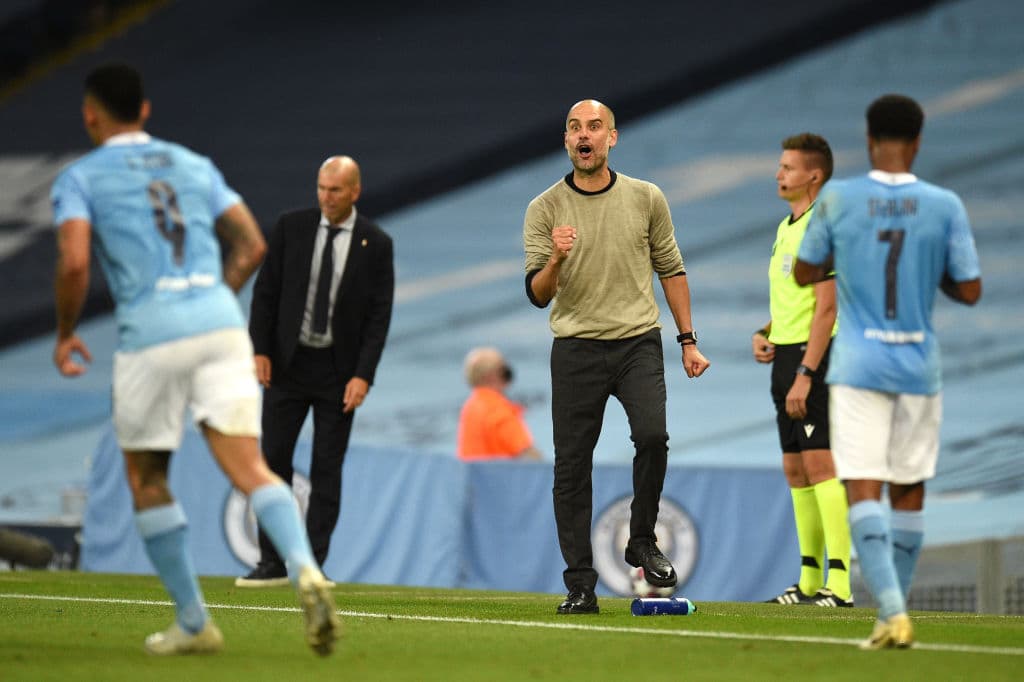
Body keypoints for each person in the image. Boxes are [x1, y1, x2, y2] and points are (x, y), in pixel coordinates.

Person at [50, 63, 338, 656]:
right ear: (146, 110)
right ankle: (305, 568)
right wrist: (212, 298)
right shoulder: (192, 164)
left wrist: (64, 331)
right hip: (218, 323)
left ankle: (193, 621)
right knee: (251, 468)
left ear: (90, 114)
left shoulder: (80, 178)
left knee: (148, 478)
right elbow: (251, 243)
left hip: (149, 335)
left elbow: (75, 262)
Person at [794, 94, 982, 649]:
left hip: (858, 364)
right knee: (909, 489)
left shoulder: (840, 200)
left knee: (863, 486)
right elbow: (969, 289)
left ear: (870, 139)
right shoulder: (944, 204)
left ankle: (894, 613)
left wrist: (853, 259)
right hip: (919, 365)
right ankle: (891, 614)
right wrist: (929, 274)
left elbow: (807, 270)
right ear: (919, 142)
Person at [523, 99, 711, 615]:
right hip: (576, 348)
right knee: (571, 466)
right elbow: (539, 294)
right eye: (575, 128)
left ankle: (641, 540)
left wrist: (688, 341)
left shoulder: (646, 197)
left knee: (653, 436)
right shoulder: (544, 209)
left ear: (612, 138)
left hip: (637, 343)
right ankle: (581, 584)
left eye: (595, 127)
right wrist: (557, 258)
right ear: (566, 141)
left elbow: (671, 269)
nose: (585, 135)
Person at [239, 155, 394, 587]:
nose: (326, 198)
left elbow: (379, 316)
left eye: (336, 191)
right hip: (287, 365)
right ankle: (270, 561)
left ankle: (310, 564)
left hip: (339, 373)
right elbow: (265, 293)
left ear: (354, 192)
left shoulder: (375, 243)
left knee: (327, 469)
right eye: (322, 189)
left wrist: (364, 374)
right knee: (272, 463)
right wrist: (260, 350)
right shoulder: (292, 227)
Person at [754, 133, 853, 608]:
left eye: (788, 167)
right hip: (788, 356)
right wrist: (766, 330)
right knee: (795, 469)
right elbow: (794, 302)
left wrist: (807, 372)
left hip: (815, 360)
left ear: (814, 175)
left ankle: (841, 584)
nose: (779, 174)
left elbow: (826, 310)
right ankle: (809, 580)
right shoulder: (786, 227)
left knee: (820, 463)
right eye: (780, 166)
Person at [456, 347, 542, 461]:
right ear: (491, 376)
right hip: (501, 477)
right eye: (504, 372)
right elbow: (528, 453)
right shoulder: (498, 409)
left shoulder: (469, 408)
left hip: (473, 477)